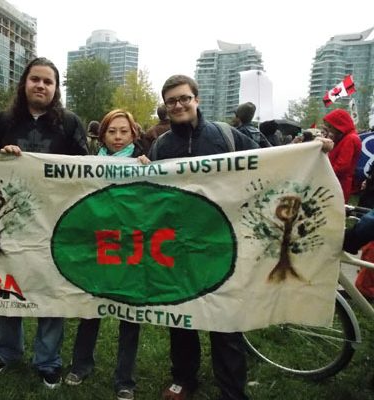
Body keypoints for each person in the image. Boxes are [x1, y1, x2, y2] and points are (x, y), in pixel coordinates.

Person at [0, 57, 88, 389]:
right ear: (24, 83)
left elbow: (85, 169)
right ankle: (7, 352)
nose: (41, 85)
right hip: (8, 221)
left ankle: (48, 360)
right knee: (5, 284)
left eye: (48, 81)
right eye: (35, 79)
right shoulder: (4, 121)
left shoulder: (70, 124)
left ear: (56, 88)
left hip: (54, 222)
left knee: (50, 288)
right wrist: (1, 155)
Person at [148, 75, 260, 400]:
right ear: (166, 106)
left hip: (222, 242)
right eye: (171, 101)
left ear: (196, 99)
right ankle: (184, 378)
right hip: (178, 244)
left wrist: (311, 150)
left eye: (184, 98)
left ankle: (232, 391)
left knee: (225, 321)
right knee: (181, 317)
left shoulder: (226, 135)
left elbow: (270, 161)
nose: (178, 105)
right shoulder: (160, 146)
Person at [65, 109, 148, 400]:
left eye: (124, 131)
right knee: (91, 309)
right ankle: (81, 365)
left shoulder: (145, 163)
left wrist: (150, 170)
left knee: (130, 316)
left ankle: (125, 378)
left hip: (131, 249)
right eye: (112, 131)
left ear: (133, 134)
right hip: (98, 247)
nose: (118, 137)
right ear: (102, 135)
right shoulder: (90, 163)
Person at [322, 108, 361, 203]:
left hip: (338, 183)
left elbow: (342, 166)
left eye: (331, 127)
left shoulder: (350, 139)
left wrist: (323, 175)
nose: (330, 130)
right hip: (337, 182)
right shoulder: (347, 137)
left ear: (339, 125)